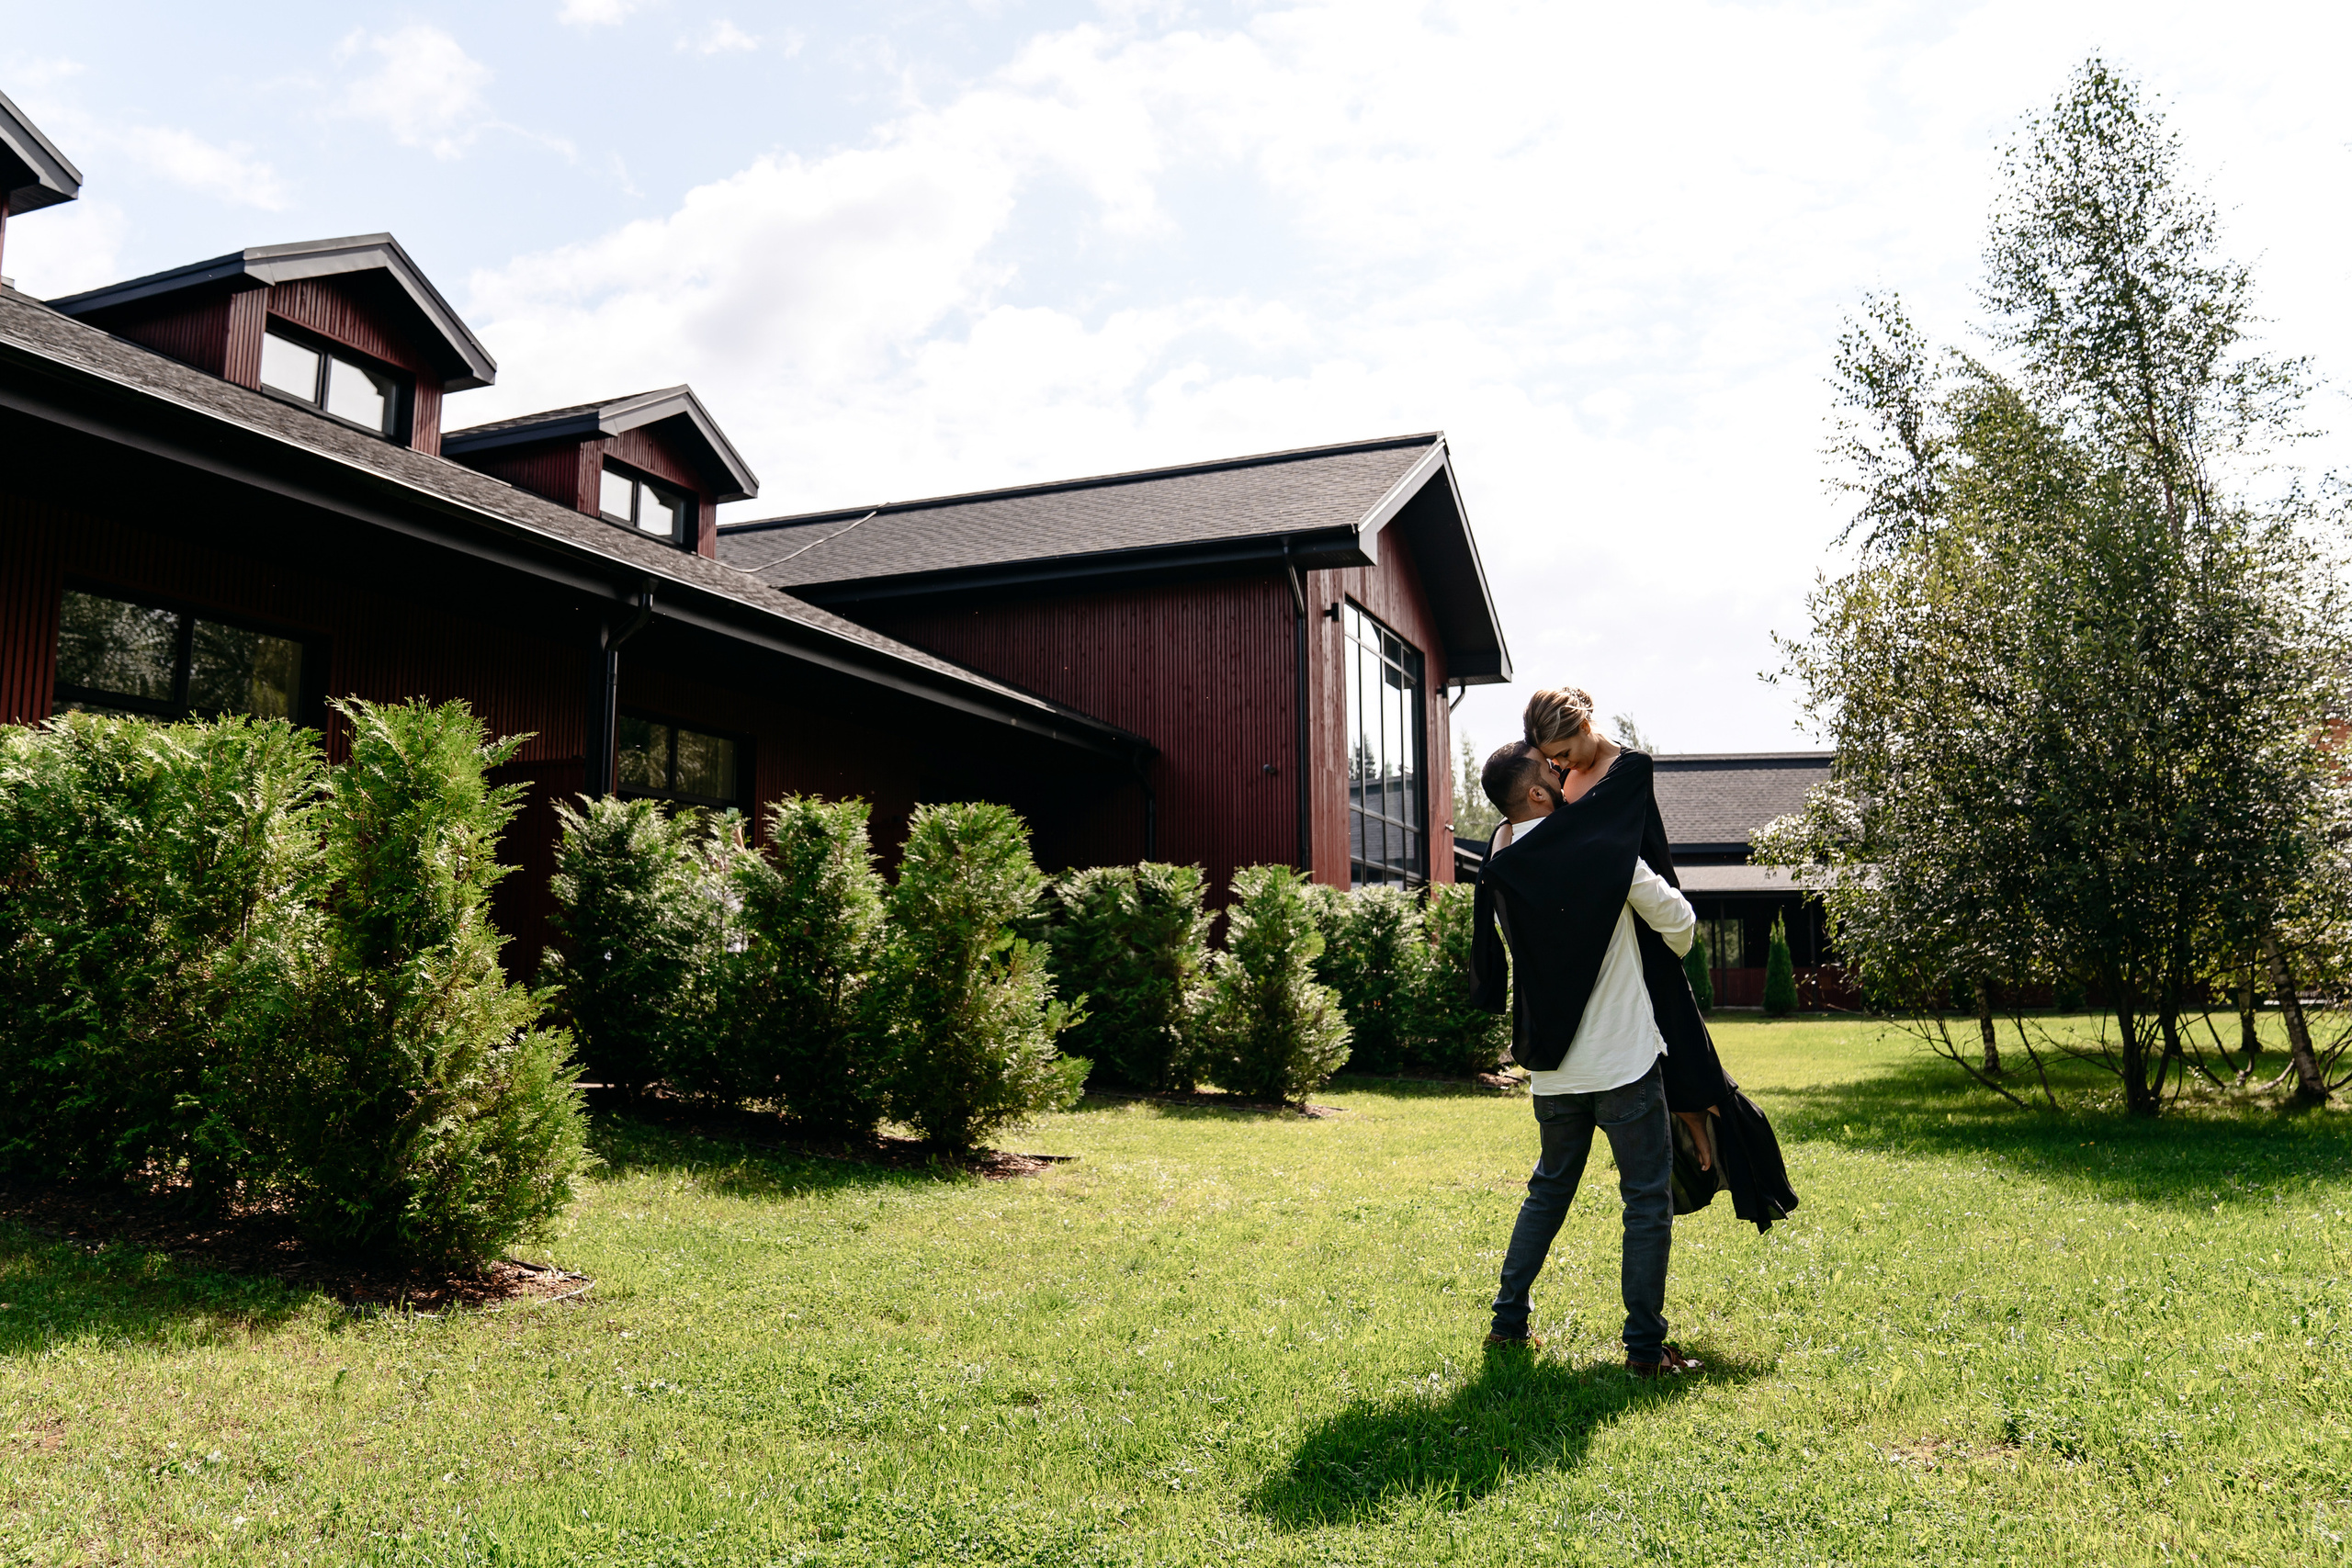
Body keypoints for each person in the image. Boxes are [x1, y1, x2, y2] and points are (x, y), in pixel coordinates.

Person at [1469, 688, 1713, 1376]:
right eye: (1554, 774)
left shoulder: (1501, 855)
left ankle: (1507, 1325)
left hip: (1552, 1070)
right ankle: (1644, 1352)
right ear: (1543, 795)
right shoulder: (1603, 851)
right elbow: (1683, 928)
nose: (1566, 780)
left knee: (1548, 1189)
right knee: (1644, 1201)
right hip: (1623, 1059)